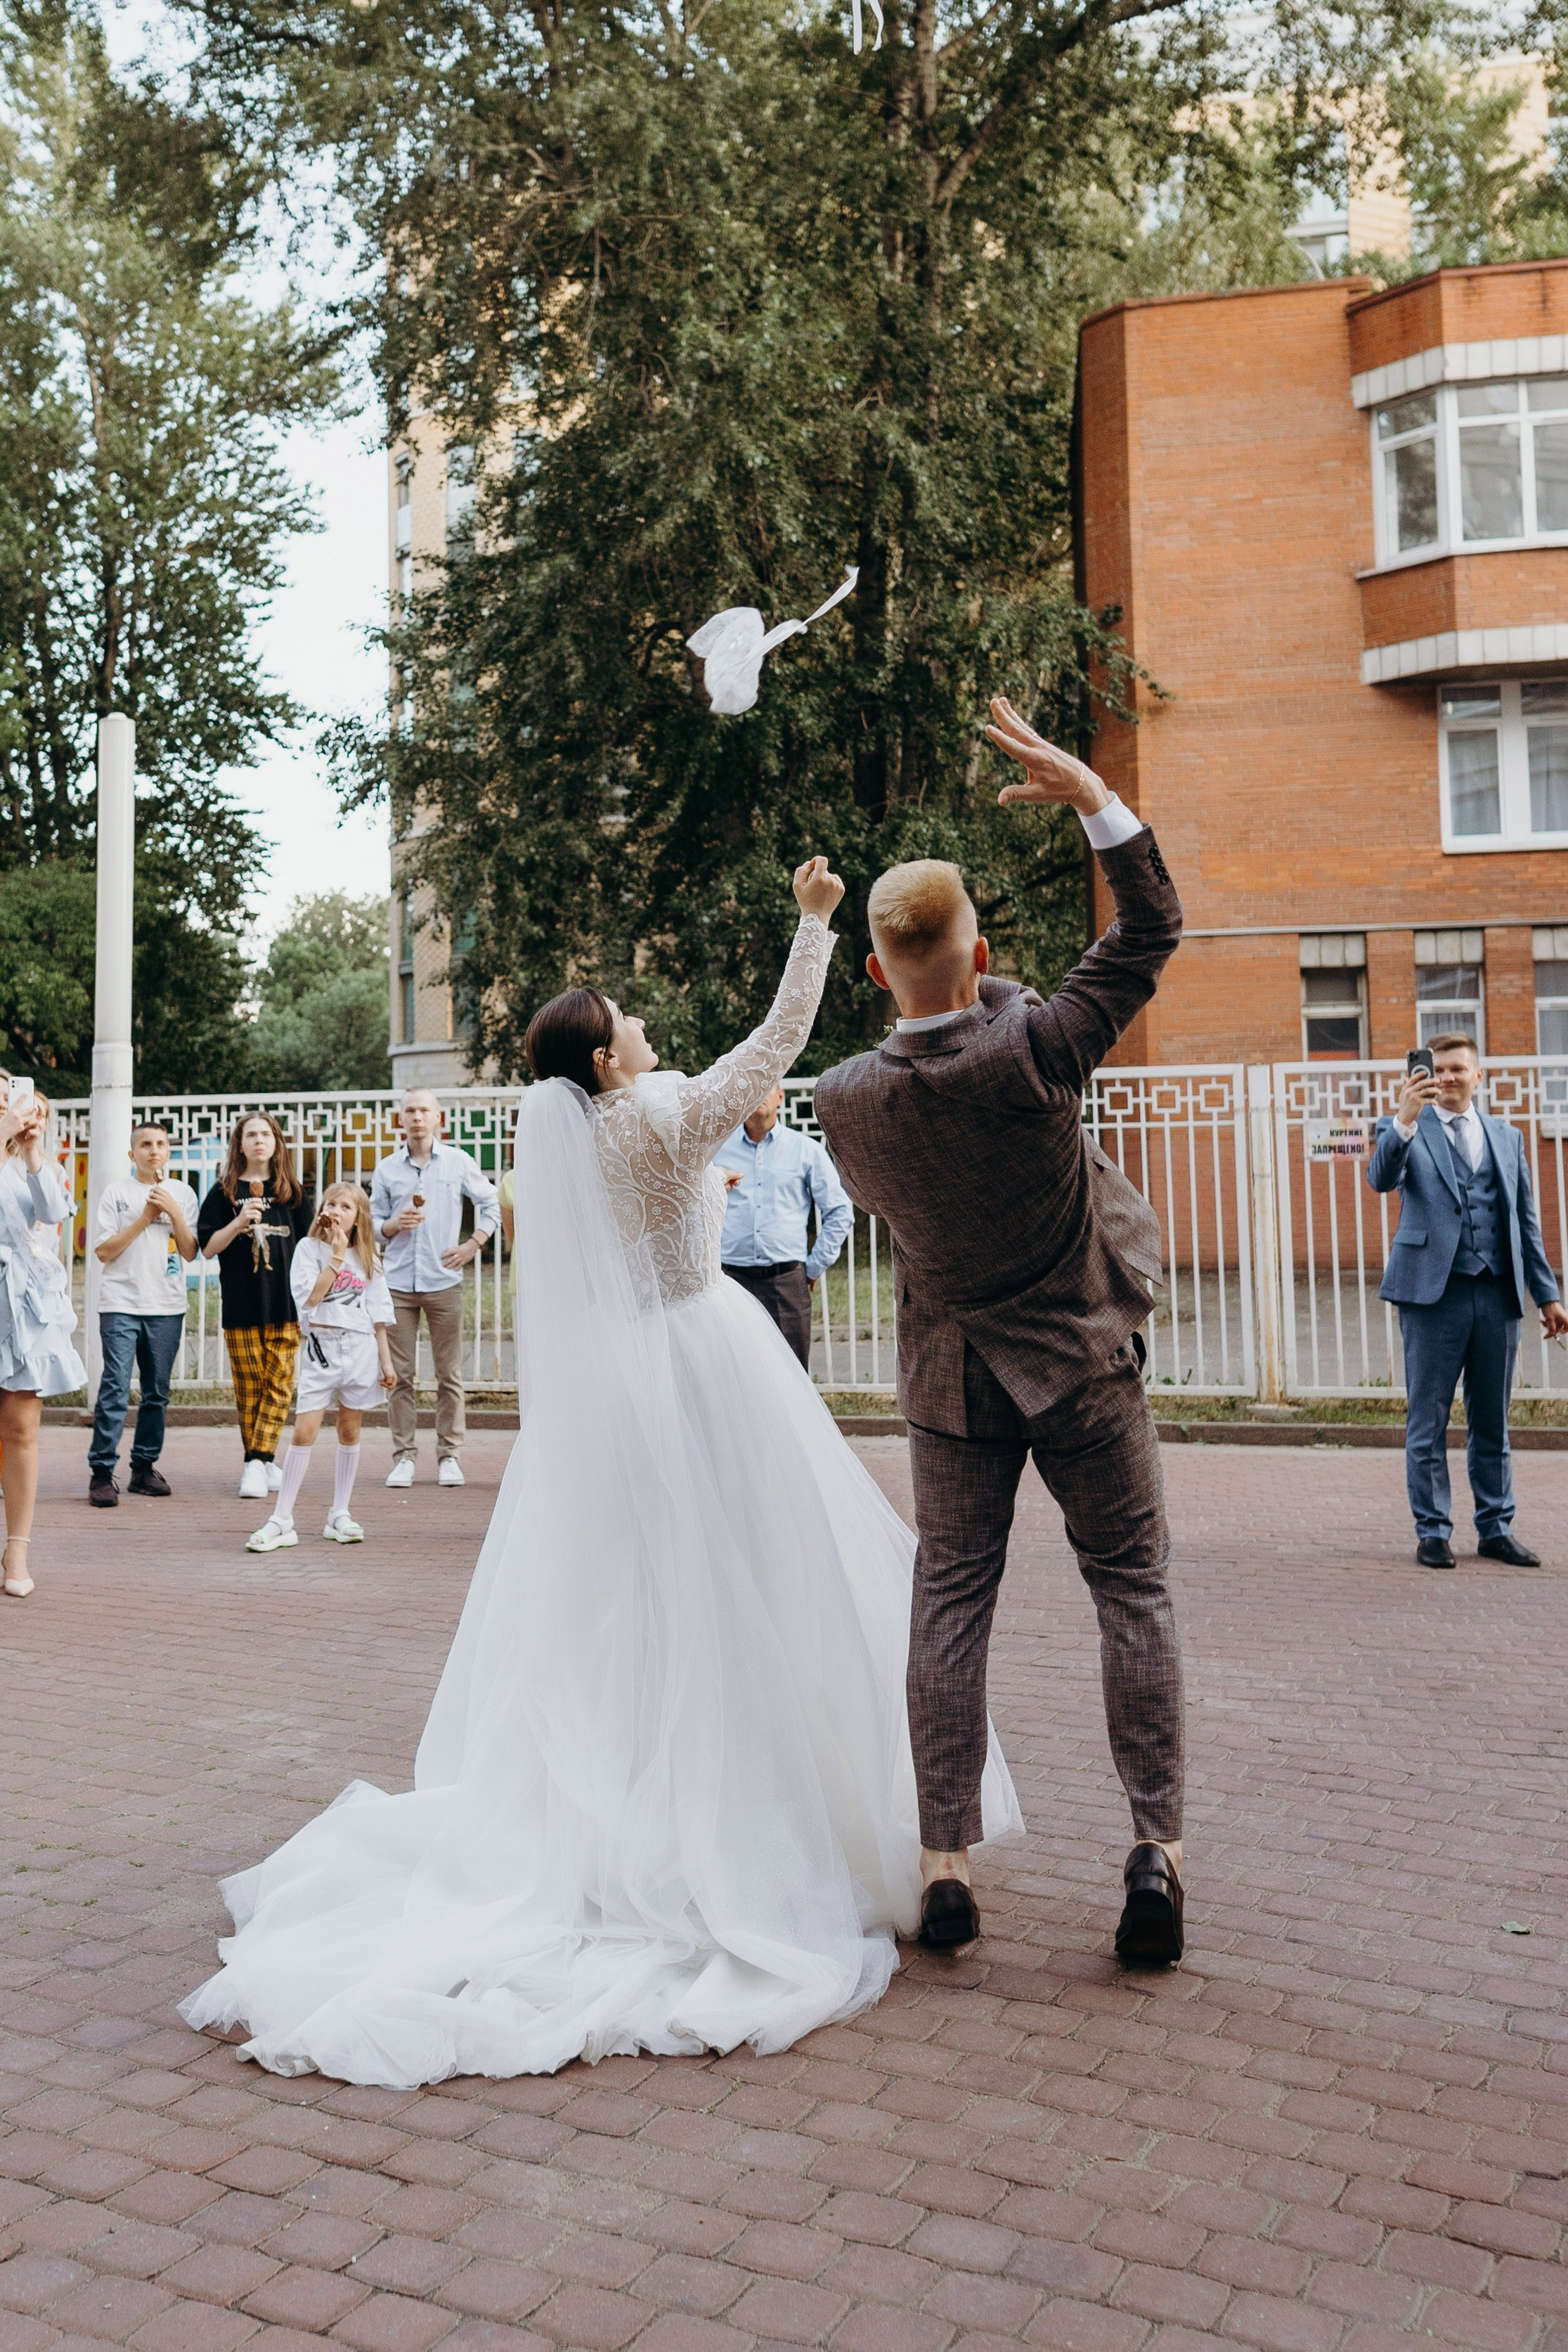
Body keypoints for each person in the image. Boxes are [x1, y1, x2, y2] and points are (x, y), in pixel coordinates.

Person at [181, 856, 1021, 2086]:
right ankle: (741, 1834)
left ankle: (635, 1802)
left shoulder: (604, 1137)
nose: (635, 1020)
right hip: (707, 1367)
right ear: (606, 1062)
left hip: (630, 1389)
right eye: (621, 1019)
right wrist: (814, 923)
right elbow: (780, 1040)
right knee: (760, 1587)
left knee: (641, 1606)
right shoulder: (666, 1114)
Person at [814, 699, 1186, 1965]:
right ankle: (1154, 1850)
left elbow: (900, 1167)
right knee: (1129, 1590)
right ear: (981, 957)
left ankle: (945, 1862)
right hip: (1084, 1365)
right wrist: (1091, 793)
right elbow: (1151, 927)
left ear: (874, 970)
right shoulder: (1037, 1046)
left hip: (952, 1385)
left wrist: (970, 996)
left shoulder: (846, 1101)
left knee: (949, 1607)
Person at [1367, 1034, 1567, 1570]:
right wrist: (1404, 1119)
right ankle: (1432, 1531)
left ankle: (1495, 1528)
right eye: (1440, 1069)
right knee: (1427, 1421)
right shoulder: (1400, 1128)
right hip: (1433, 1295)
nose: (1449, 1077)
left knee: (1493, 1421)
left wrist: (1546, 1294)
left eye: (1459, 1069)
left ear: (1478, 1076)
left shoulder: (1507, 1136)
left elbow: (1525, 1219)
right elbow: (1379, 1179)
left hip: (1497, 1293)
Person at [246, 1184, 397, 1554]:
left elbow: (378, 1314)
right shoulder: (308, 1250)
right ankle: (282, 1518)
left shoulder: (369, 1258)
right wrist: (337, 1255)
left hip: (360, 1348)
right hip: (322, 1349)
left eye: (347, 1206)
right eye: (332, 1203)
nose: (337, 1210)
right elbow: (309, 1299)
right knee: (304, 1432)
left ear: (359, 1216)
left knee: (349, 1429)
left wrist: (387, 1361)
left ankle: (340, 1513)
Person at [370, 1090, 499, 1490]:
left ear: (438, 1118)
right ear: (400, 1119)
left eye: (424, 1110)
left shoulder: (458, 1161)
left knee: (449, 1374)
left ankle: (449, 1456)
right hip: (398, 1283)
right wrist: (392, 1225)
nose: (417, 1117)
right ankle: (404, 1457)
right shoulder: (388, 1168)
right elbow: (372, 1221)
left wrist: (472, 1244)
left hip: (444, 1280)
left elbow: (491, 1203)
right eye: (410, 1111)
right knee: (400, 1376)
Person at [197, 1113, 314, 1499]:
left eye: (266, 1134)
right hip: (242, 1303)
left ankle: (256, 1460)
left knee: (280, 1382)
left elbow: (310, 1247)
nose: (259, 1141)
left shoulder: (292, 1193)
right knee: (250, 1387)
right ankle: (262, 1462)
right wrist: (239, 1222)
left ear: (277, 1142)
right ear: (240, 1144)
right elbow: (209, 1247)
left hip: (285, 1302)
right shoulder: (224, 1193)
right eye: (252, 1135)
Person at [0, 1076, 86, 1598]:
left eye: (8, 1096)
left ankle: (17, 1549)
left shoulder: (40, 1165)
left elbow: (53, 1214)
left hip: (23, 1307)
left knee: (20, 1427)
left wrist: (32, 1151)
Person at [88, 1122, 199, 1506]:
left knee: (156, 1393)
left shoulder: (183, 1193)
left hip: (166, 1305)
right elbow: (103, 1252)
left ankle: (143, 1468)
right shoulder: (115, 1194)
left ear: (169, 1152)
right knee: (115, 1387)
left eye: (161, 1145)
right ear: (132, 1154)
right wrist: (145, 1217)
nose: (154, 1151)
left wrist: (172, 1212)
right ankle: (102, 1472)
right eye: (145, 1145)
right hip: (120, 1303)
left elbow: (188, 1251)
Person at [715, 1087, 853, 1369]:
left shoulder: (806, 1150)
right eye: (753, 1087)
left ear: (780, 1096)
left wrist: (814, 1266)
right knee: (734, 1370)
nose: (759, 1094)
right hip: (729, 1281)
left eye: (767, 1087)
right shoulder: (717, 1151)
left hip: (786, 1283)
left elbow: (839, 1210)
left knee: (791, 1371)